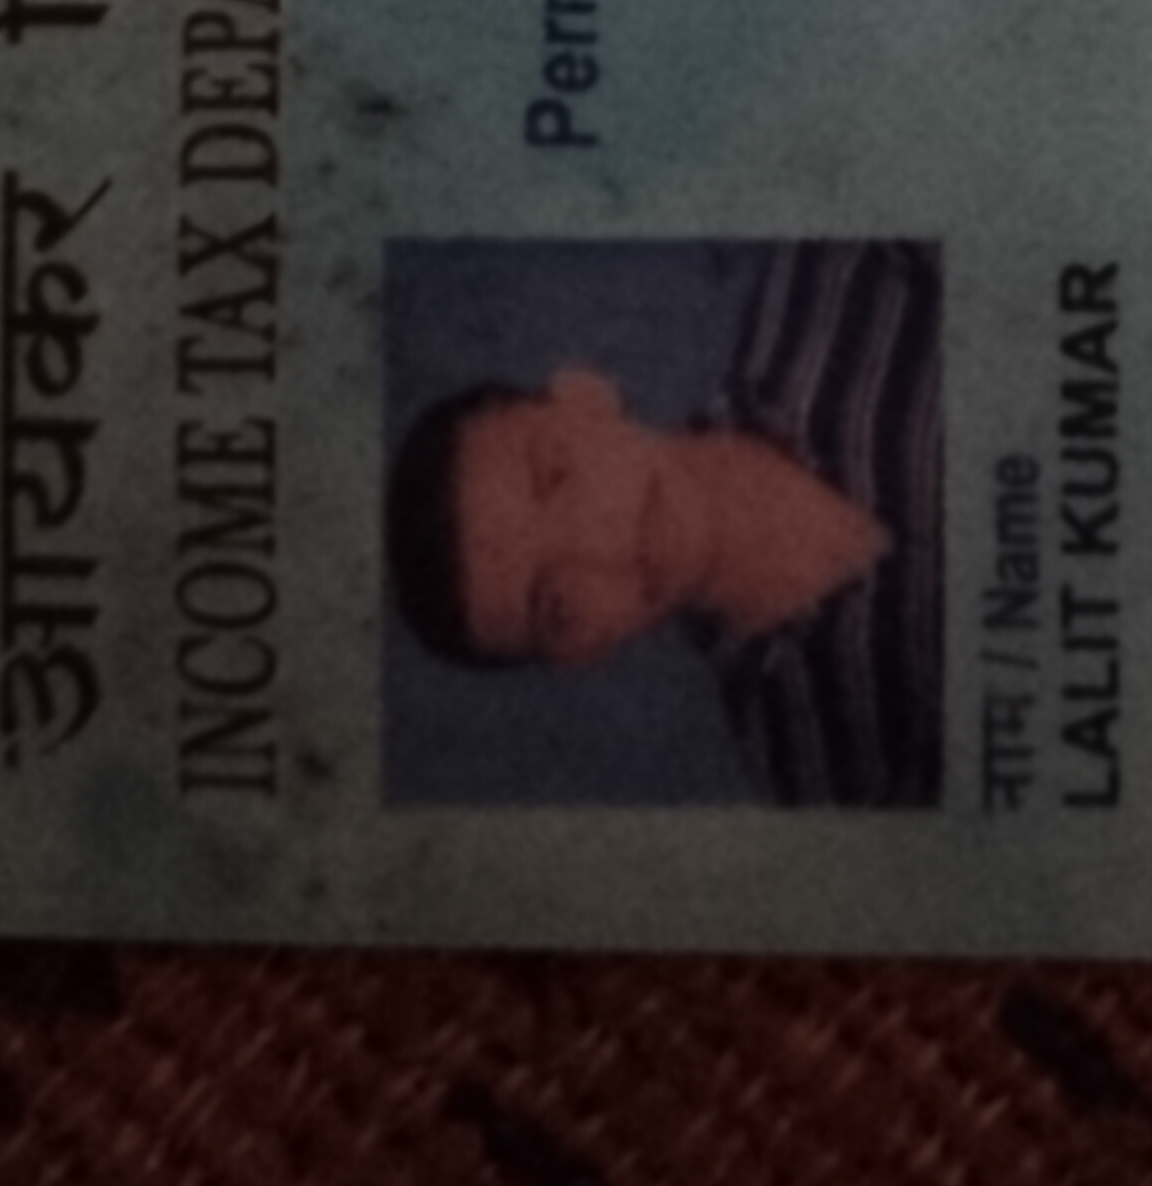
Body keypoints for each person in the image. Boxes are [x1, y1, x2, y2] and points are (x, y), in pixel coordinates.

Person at [386, 238, 942, 806]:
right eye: (556, 604)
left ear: (587, 395)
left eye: (555, 476)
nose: (606, 544)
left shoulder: (850, 268)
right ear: (580, 652)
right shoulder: (824, 780)